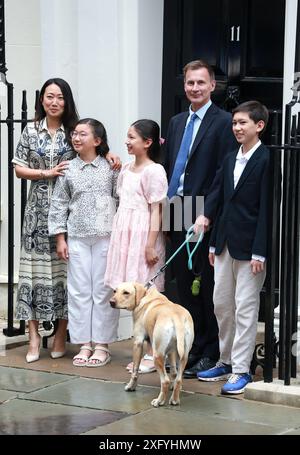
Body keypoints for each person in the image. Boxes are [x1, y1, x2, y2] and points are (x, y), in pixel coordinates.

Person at [12, 78, 120, 363]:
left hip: (78, 219)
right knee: (35, 275)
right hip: (38, 211)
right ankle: (35, 337)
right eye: (49, 96)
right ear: (42, 100)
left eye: (59, 97)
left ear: (67, 100)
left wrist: (109, 154)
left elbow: (95, 149)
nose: (54, 102)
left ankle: (64, 335)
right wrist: (47, 173)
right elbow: (18, 169)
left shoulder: (75, 131)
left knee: (70, 278)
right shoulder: (30, 130)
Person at [163, 60, 237, 378]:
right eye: (189, 83)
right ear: (184, 86)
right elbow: (169, 166)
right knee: (181, 283)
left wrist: (207, 212)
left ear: (212, 85)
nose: (194, 88)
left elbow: (223, 172)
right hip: (176, 206)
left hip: (201, 210)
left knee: (203, 283)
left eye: (200, 83)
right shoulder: (177, 121)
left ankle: (210, 350)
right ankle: (192, 348)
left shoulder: (223, 122)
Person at [197, 101, 270, 394]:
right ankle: (226, 361)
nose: (237, 128)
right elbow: (221, 200)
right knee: (222, 305)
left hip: (252, 249)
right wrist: (213, 242)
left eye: (243, 123)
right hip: (225, 243)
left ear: (259, 126)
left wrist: (260, 251)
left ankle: (242, 370)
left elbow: (267, 209)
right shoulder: (229, 158)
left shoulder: (266, 158)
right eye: (235, 123)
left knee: (245, 308)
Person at [48, 118, 120, 367]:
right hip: (77, 237)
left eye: (83, 134)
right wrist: (60, 238)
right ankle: (84, 344)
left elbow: (118, 200)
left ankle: (102, 344)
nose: (76, 138)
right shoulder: (68, 169)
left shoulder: (110, 168)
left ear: (97, 141)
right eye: (75, 134)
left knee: (103, 291)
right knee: (78, 292)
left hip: (105, 237)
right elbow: (58, 205)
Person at [105, 119, 168, 373]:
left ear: (148, 142)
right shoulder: (127, 169)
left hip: (143, 234)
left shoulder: (155, 171)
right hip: (125, 233)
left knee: (146, 296)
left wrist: (150, 244)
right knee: (129, 295)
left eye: (132, 137)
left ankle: (153, 354)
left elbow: (157, 210)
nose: (127, 142)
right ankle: (139, 352)